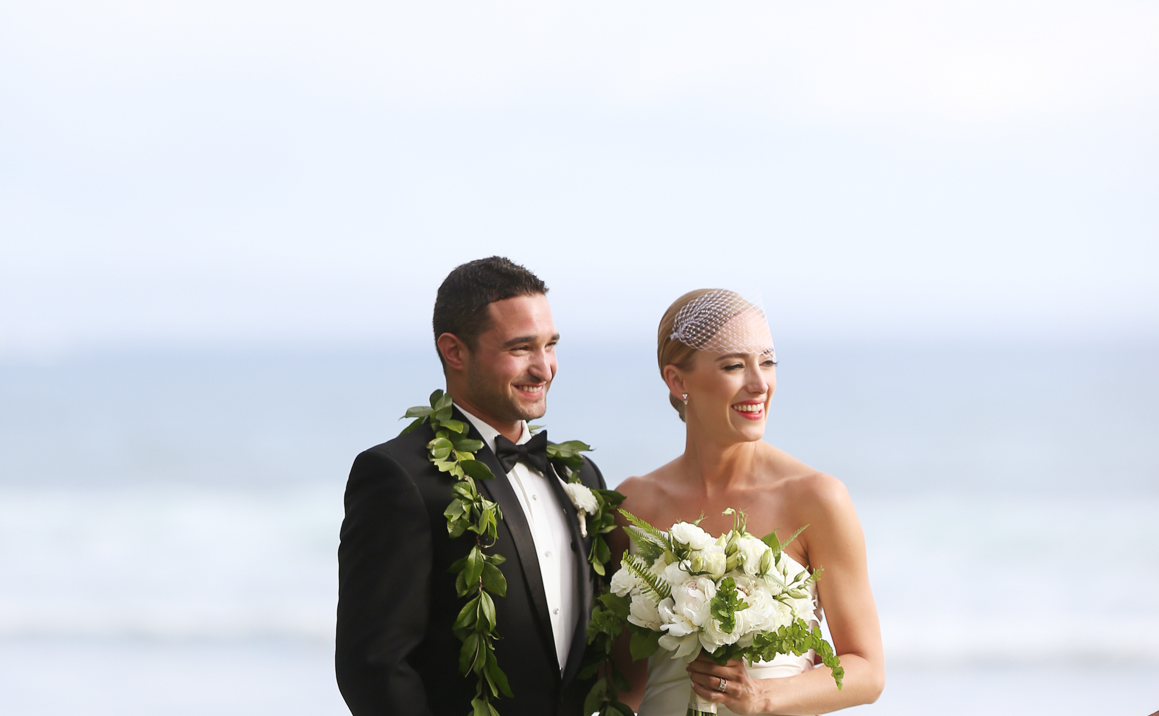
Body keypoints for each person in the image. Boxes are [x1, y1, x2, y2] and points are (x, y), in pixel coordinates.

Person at [336, 255, 607, 715]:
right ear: (455, 351)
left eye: (550, 345)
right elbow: (375, 666)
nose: (544, 368)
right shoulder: (397, 476)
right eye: (521, 348)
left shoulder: (579, 476)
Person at [612, 288, 885, 714]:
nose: (759, 384)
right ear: (677, 380)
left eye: (768, 361)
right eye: (734, 365)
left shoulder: (816, 499)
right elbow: (624, 682)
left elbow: (866, 670)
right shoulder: (633, 505)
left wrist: (761, 699)